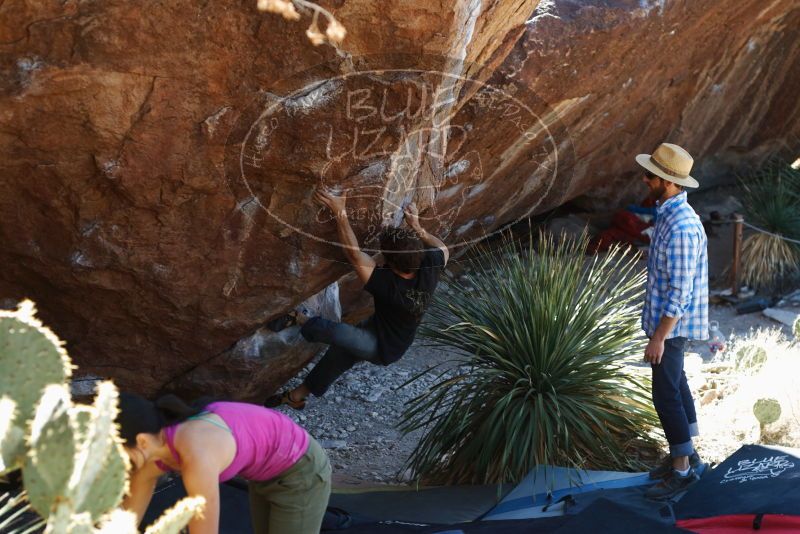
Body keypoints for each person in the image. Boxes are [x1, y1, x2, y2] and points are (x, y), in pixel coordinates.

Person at [265, 188, 448, 409]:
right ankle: (295, 397)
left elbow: (353, 253)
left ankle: (300, 318)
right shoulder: (430, 264)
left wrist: (340, 212)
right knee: (339, 355)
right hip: (385, 330)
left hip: (381, 347)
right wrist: (418, 227)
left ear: (390, 264)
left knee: (337, 333)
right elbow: (442, 247)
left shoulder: (390, 288)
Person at [117, 393, 331, 534]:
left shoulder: (196, 454)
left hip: (302, 471)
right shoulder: (155, 449)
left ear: (142, 441)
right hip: (264, 472)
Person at [635, 143, 709, 501]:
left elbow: (679, 294)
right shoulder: (668, 213)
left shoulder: (681, 227)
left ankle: (681, 471)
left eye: (650, 175)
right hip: (668, 326)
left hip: (672, 329)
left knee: (665, 395)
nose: (644, 179)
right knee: (676, 386)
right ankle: (689, 455)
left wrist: (659, 338)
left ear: (666, 181)